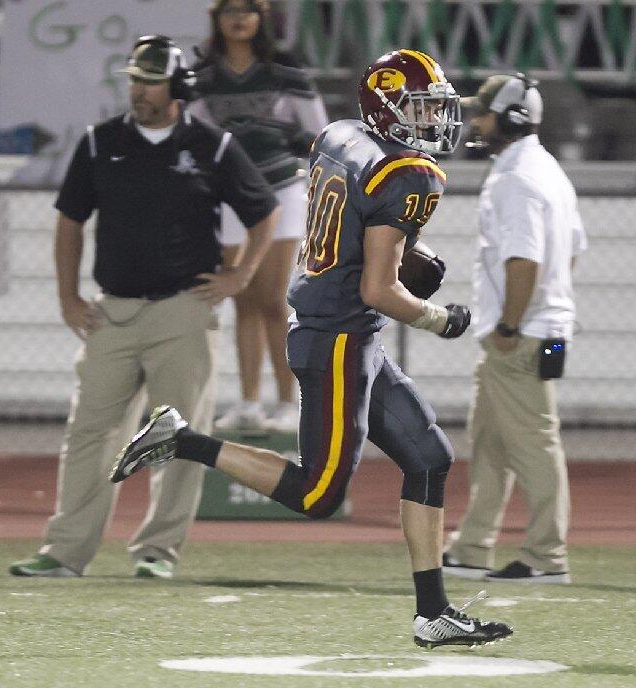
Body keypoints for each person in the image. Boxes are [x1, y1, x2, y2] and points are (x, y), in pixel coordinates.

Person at [109, 49, 513, 649]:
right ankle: (182, 439)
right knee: (319, 494)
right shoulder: (408, 174)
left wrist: (408, 258)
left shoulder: (342, 136)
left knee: (428, 458)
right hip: (338, 339)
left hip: (346, 330)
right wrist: (438, 318)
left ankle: (432, 614)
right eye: (421, 108)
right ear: (389, 109)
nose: (433, 122)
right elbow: (380, 288)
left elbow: (348, 223)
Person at [9, 36, 279, 579]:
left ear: (177, 87)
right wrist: (66, 295)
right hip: (112, 312)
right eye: (134, 78)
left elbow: (263, 212)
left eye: (150, 80)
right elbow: (69, 221)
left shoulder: (213, 146)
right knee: (89, 432)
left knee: (179, 436)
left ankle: (157, 550)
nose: (138, 90)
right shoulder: (98, 143)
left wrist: (241, 276)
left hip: (183, 309)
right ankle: (65, 551)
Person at [441, 75, 584, 584]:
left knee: (533, 445)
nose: (474, 121)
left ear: (511, 117)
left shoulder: (516, 178)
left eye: (482, 112)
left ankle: (548, 556)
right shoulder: (546, 170)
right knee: (491, 443)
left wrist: (510, 323)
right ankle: (472, 546)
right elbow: (570, 251)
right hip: (532, 329)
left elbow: (524, 259)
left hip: (519, 335)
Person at [190, 0, 329, 433]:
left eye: (248, 9)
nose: (239, 18)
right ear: (217, 17)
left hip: (281, 193)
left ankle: (288, 403)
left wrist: (275, 135)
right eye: (230, 9)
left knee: (272, 298)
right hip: (229, 195)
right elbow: (192, 135)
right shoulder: (204, 77)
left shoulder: (286, 72)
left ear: (262, 18)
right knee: (242, 299)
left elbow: (319, 134)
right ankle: (249, 401)